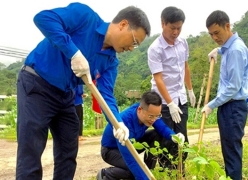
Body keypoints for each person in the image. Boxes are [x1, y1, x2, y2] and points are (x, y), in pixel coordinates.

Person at [16, 3, 151, 180]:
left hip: (66, 95)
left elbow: (106, 95)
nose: (132, 48)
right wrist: (74, 53)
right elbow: (43, 18)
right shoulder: (85, 17)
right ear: (123, 24)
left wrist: (118, 123)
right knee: (31, 150)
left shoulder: (111, 62)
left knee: (68, 152)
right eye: (134, 42)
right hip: (37, 85)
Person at [201, 10, 248, 180]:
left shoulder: (236, 50)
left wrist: (211, 105)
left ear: (227, 26)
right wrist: (218, 50)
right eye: (211, 34)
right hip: (229, 106)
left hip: (233, 106)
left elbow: (233, 87)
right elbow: (226, 48)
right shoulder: (230, 47)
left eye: (217, 33)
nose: (215, 37)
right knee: (229, 150)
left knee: (231, 153)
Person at [147, 6, 196, 172]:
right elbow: (158, 79)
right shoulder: (155, 49)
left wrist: (190, 90)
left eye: (179, 28)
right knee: (167, 140)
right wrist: (170, 103)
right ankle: (167, 172)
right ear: (163, 24)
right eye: (172, 28)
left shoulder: (183, 43)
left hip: (181, 98)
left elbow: (186, 67)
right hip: (164, 102)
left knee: (183, 139)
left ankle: (179, 171)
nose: (176, 32)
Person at [96, 91, 185, 180]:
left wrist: (174, 136)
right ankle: (106, 175)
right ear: (139, 110)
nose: (154, 120)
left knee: (156, 134)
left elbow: (162, 128)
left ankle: (149, 169)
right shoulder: (125, 121)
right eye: (151, 116)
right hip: (111, 150)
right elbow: (129, 158)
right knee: (135, 170)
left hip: (132, 144)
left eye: (157, 116)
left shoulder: (149, 113)